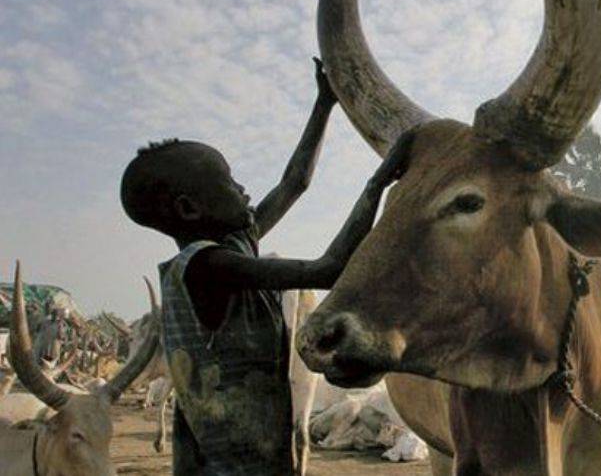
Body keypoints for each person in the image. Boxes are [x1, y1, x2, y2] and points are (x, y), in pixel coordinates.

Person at [119, 58, 413, 475]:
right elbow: (326, 269)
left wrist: (324, 103)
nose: (243, 188)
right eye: (230, 181)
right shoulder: (210, 266)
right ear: (189, 209)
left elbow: (295, 182)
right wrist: (375, 186)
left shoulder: (230, 246)